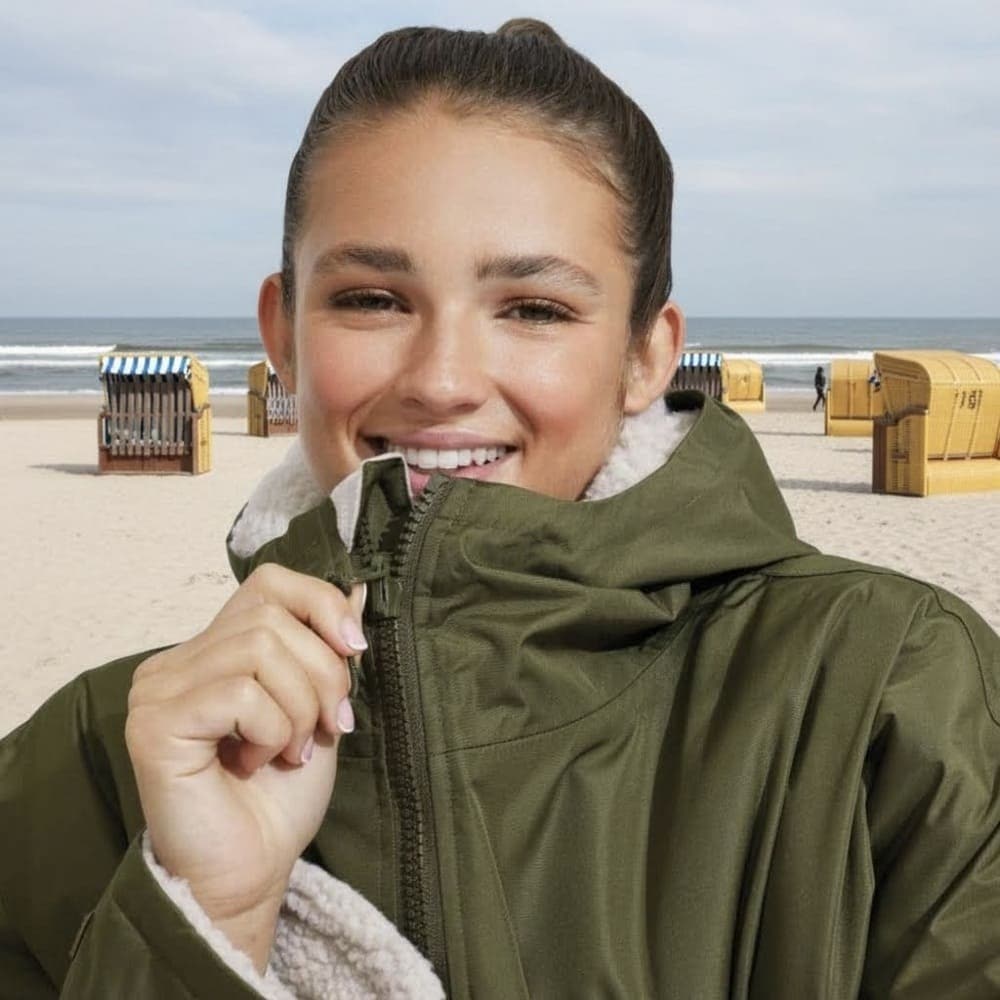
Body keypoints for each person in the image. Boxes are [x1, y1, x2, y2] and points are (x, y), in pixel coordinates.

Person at [2, 19, 999, 999]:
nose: (442, 381)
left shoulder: (888, 691)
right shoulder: (97, 758)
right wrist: (206, 919)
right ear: (284, 334)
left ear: (645, 355)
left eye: (533, 310)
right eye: (372, 299)